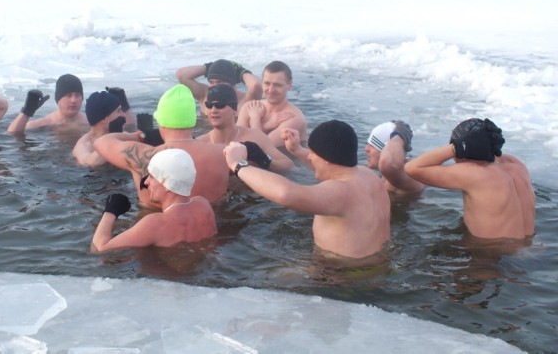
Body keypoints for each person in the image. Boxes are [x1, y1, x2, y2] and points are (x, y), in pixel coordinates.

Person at [224, 120, 390, 261]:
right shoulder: (367, 176)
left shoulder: (341, 191)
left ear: (326, 159)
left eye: (313, 153)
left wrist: (238, 164)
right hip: (375, 264)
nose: (309, 157)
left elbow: (285, 194)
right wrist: (296, 150)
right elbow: (332, 166)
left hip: (342, 275)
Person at [93, 84, 229, 208]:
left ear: (161, 122)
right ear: (192, 120)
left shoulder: (143, 156)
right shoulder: (223, 153)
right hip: (212, 226)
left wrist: (138, 135)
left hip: (155, 228)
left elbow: (101, 142)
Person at [405, 118, 535, 240]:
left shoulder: (474, 173)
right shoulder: (515, 164)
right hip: (529, 247)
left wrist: (456, 147)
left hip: (493, 254)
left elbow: (412, 168)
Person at [91, 149, 217, 253]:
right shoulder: (203, 205)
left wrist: (110, 211)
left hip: (167, 280)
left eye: (152, 176)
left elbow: (99, 249)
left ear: (168, 185)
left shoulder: (155, 224)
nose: (146, 182)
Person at [196, 84, 293, 172]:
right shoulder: (200, 144)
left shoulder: (254, 137)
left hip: (250, 191)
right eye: (209, 105)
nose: (213, 110)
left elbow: (289, 165)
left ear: (234, 110)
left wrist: (263, 159)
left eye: (220, 105)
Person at [237, 60, 307, 147]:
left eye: (277, 85)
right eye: (267, 83)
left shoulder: (295, 117)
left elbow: (262, 148)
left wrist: (255, 119)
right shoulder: (250, 107)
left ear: (289, 85)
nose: (270, 90)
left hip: (286, 159)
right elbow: (236, 142)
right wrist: (267, 125)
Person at [7, 74, 88, 134]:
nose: (73, 100)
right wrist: (27, 112)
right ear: (58, 99)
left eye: (77, 95)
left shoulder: (90, 121)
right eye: (68, 96)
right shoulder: (47, 122)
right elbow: (12, 133)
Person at [175, 58, 262, 114]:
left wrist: (241, 71)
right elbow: (181, 75)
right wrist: (209, 67)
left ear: (232, 83)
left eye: (219, 82)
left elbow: (256, 85)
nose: (214, 86)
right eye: (211, 82)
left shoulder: (244, 101)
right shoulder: (205, 95)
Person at [365, 120, 425, 195]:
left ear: (386, 148)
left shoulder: (408, 175)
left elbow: (388, 164)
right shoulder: (393, 174)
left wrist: (400, 134)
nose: (366, 149)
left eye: (372, 145)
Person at [73, 90, 127, 167]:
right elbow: (86, 163)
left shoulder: (120, 134)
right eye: (118, 111)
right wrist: (112, 140)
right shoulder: (84, 145)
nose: (124, 115)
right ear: (103, 119)